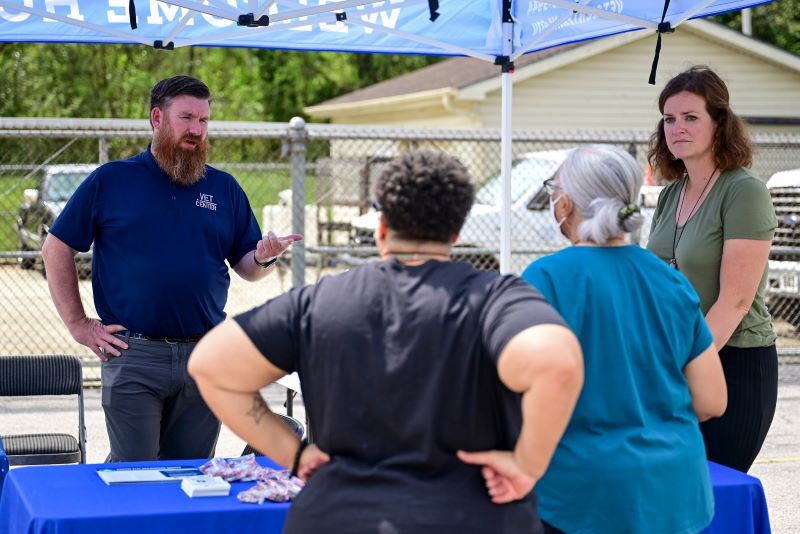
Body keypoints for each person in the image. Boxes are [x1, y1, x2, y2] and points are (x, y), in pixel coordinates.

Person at [189, 149, 584, 534]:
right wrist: (527, 465)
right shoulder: (498, 300)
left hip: (338, 515)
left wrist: (294, 454)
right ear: (457, 232)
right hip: (469, 514)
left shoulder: (318, 302)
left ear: (382, 228)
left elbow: (212, 364)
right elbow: (558, 365)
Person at [41, 75, 301, 462]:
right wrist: (80, 325)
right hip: (134, 355)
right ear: (157, 118)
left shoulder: (224, 188)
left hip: (204, 355)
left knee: (192, 475)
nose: (197, 129)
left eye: (204, 121)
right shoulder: (112, 180)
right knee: (136, 475)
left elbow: (247, 266)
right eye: (187, 118)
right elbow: (55, 247)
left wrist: (264, 256)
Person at [522, 144, 727, 534]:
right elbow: (712, 400)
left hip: (579, 495)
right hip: (672, 492)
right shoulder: (671, 282)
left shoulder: (545, 279)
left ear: (564, 204)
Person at [647, 66, 778, 473]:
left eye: (691, 117)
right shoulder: (671, 194)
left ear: (719, 123)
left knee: (714, 495)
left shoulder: (743, 191)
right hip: (678, 360)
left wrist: (685, 367)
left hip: (735, 363)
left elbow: (736, 302)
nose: (677, 128)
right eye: (669, 119)